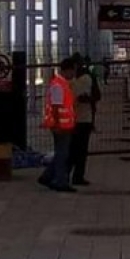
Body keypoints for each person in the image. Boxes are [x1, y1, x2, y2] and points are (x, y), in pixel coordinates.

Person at [39, 57, 77, 192]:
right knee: (62, 154)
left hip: (63, 125)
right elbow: (56, 106)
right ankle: (59, 181)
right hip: (61, 126)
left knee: (61, 153)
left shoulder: (62, 84)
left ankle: (48, 176)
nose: (73, 75)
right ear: (67, 70)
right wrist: (57, 124)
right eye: (73, 71)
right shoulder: (58, 85)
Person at [68, 57, 96, 186]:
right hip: (82, 119)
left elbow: (95, 96)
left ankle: (70, 175)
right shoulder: (75, 81)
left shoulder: (71, 81)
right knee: (79, 150)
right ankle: (76, 176)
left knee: (74, 149)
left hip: (78, 119)